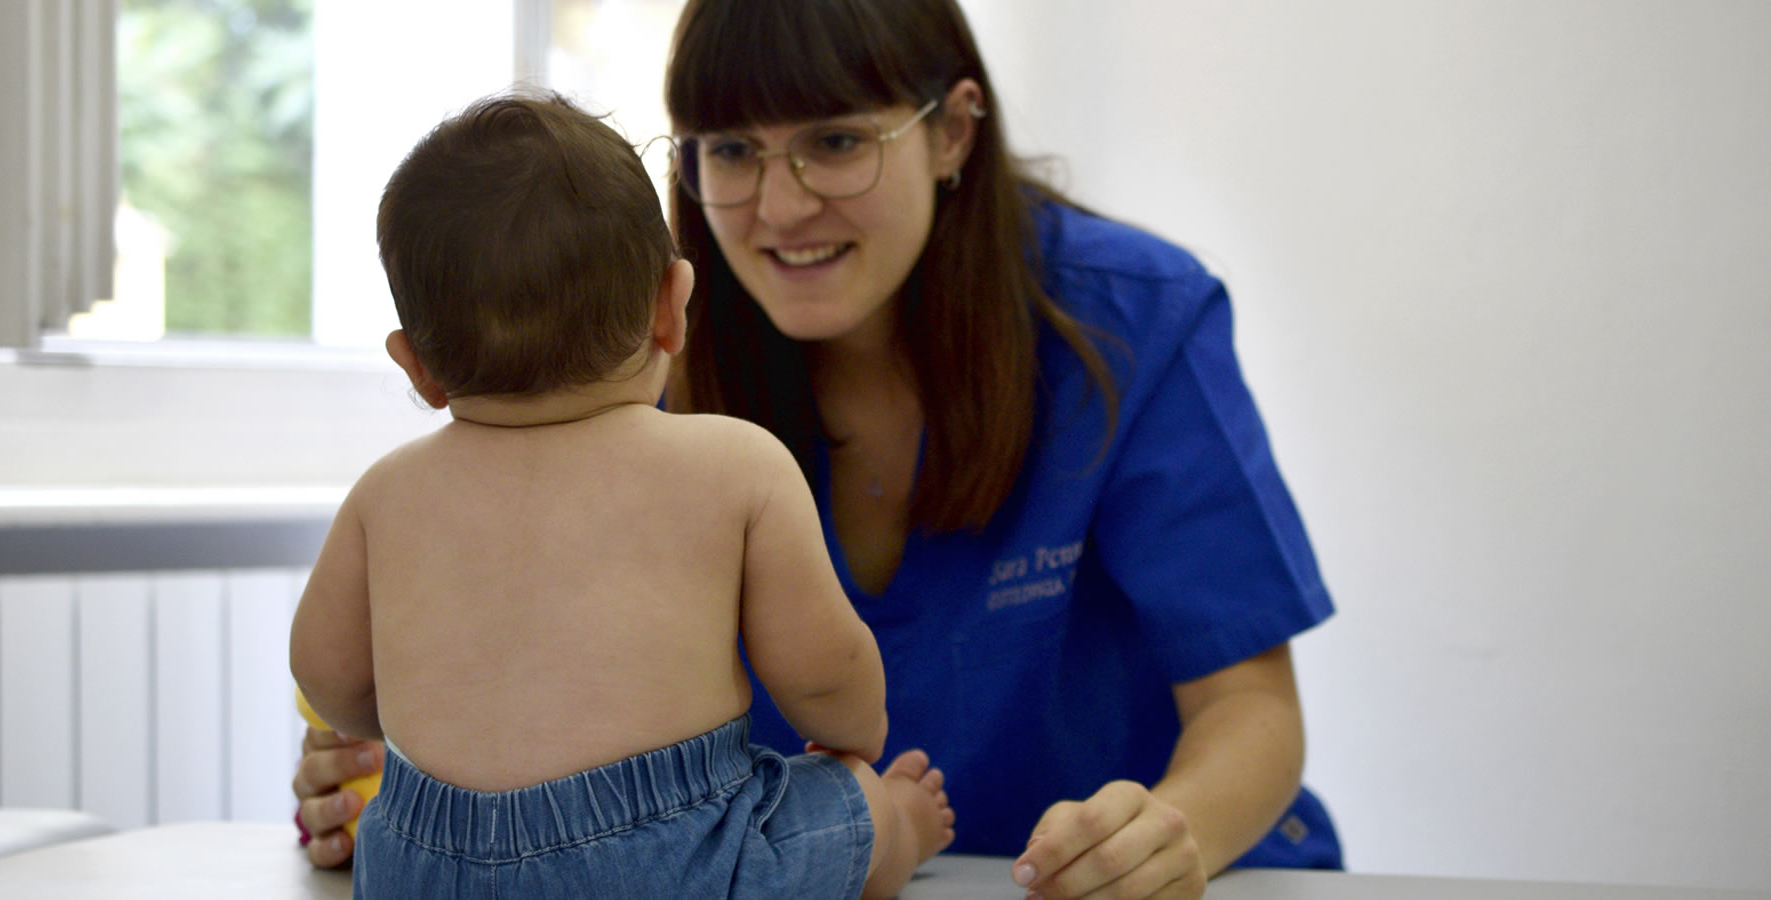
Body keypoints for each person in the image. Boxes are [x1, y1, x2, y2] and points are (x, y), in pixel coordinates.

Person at [297, 1, 1344, 896]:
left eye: (837, 140)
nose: (781, 205)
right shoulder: (606, 355)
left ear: (953, 135)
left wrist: (1172, 834)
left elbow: (1251, 707)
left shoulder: (1130, 322)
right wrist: (388, 777)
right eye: (732, 152)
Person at [289, 91, 955, 899]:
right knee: (852, 801)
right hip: (674, 860)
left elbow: (326, 676)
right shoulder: (735, 463)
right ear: (672, 307)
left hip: (427, 864)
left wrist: (404, 740)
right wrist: (857, 747)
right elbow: (821, 677)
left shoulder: (384, 493)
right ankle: (906, 832)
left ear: (415, 366)